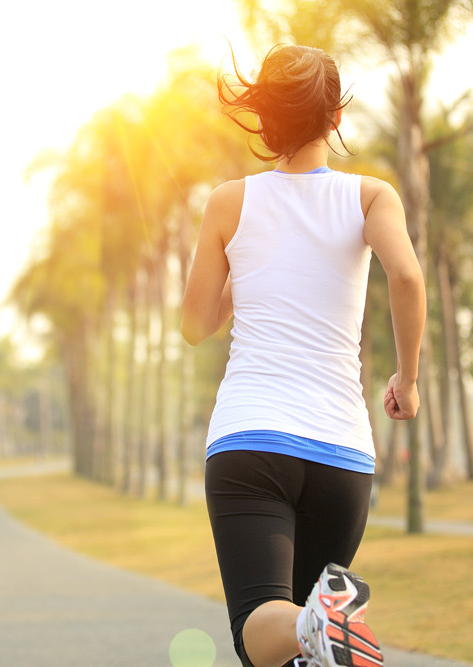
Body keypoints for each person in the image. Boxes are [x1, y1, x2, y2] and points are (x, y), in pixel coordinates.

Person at [180, 44, 426, 667]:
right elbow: (407, 278)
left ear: (265, 121)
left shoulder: (228, 202)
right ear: (336, 118)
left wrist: (252, 270)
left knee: (261, 629)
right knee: (302, 652)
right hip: (342, 452)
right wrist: (409, 378)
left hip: (251, 441)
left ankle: (326, 621)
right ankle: (326, 621)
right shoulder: (372, 197)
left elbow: (193, 324)